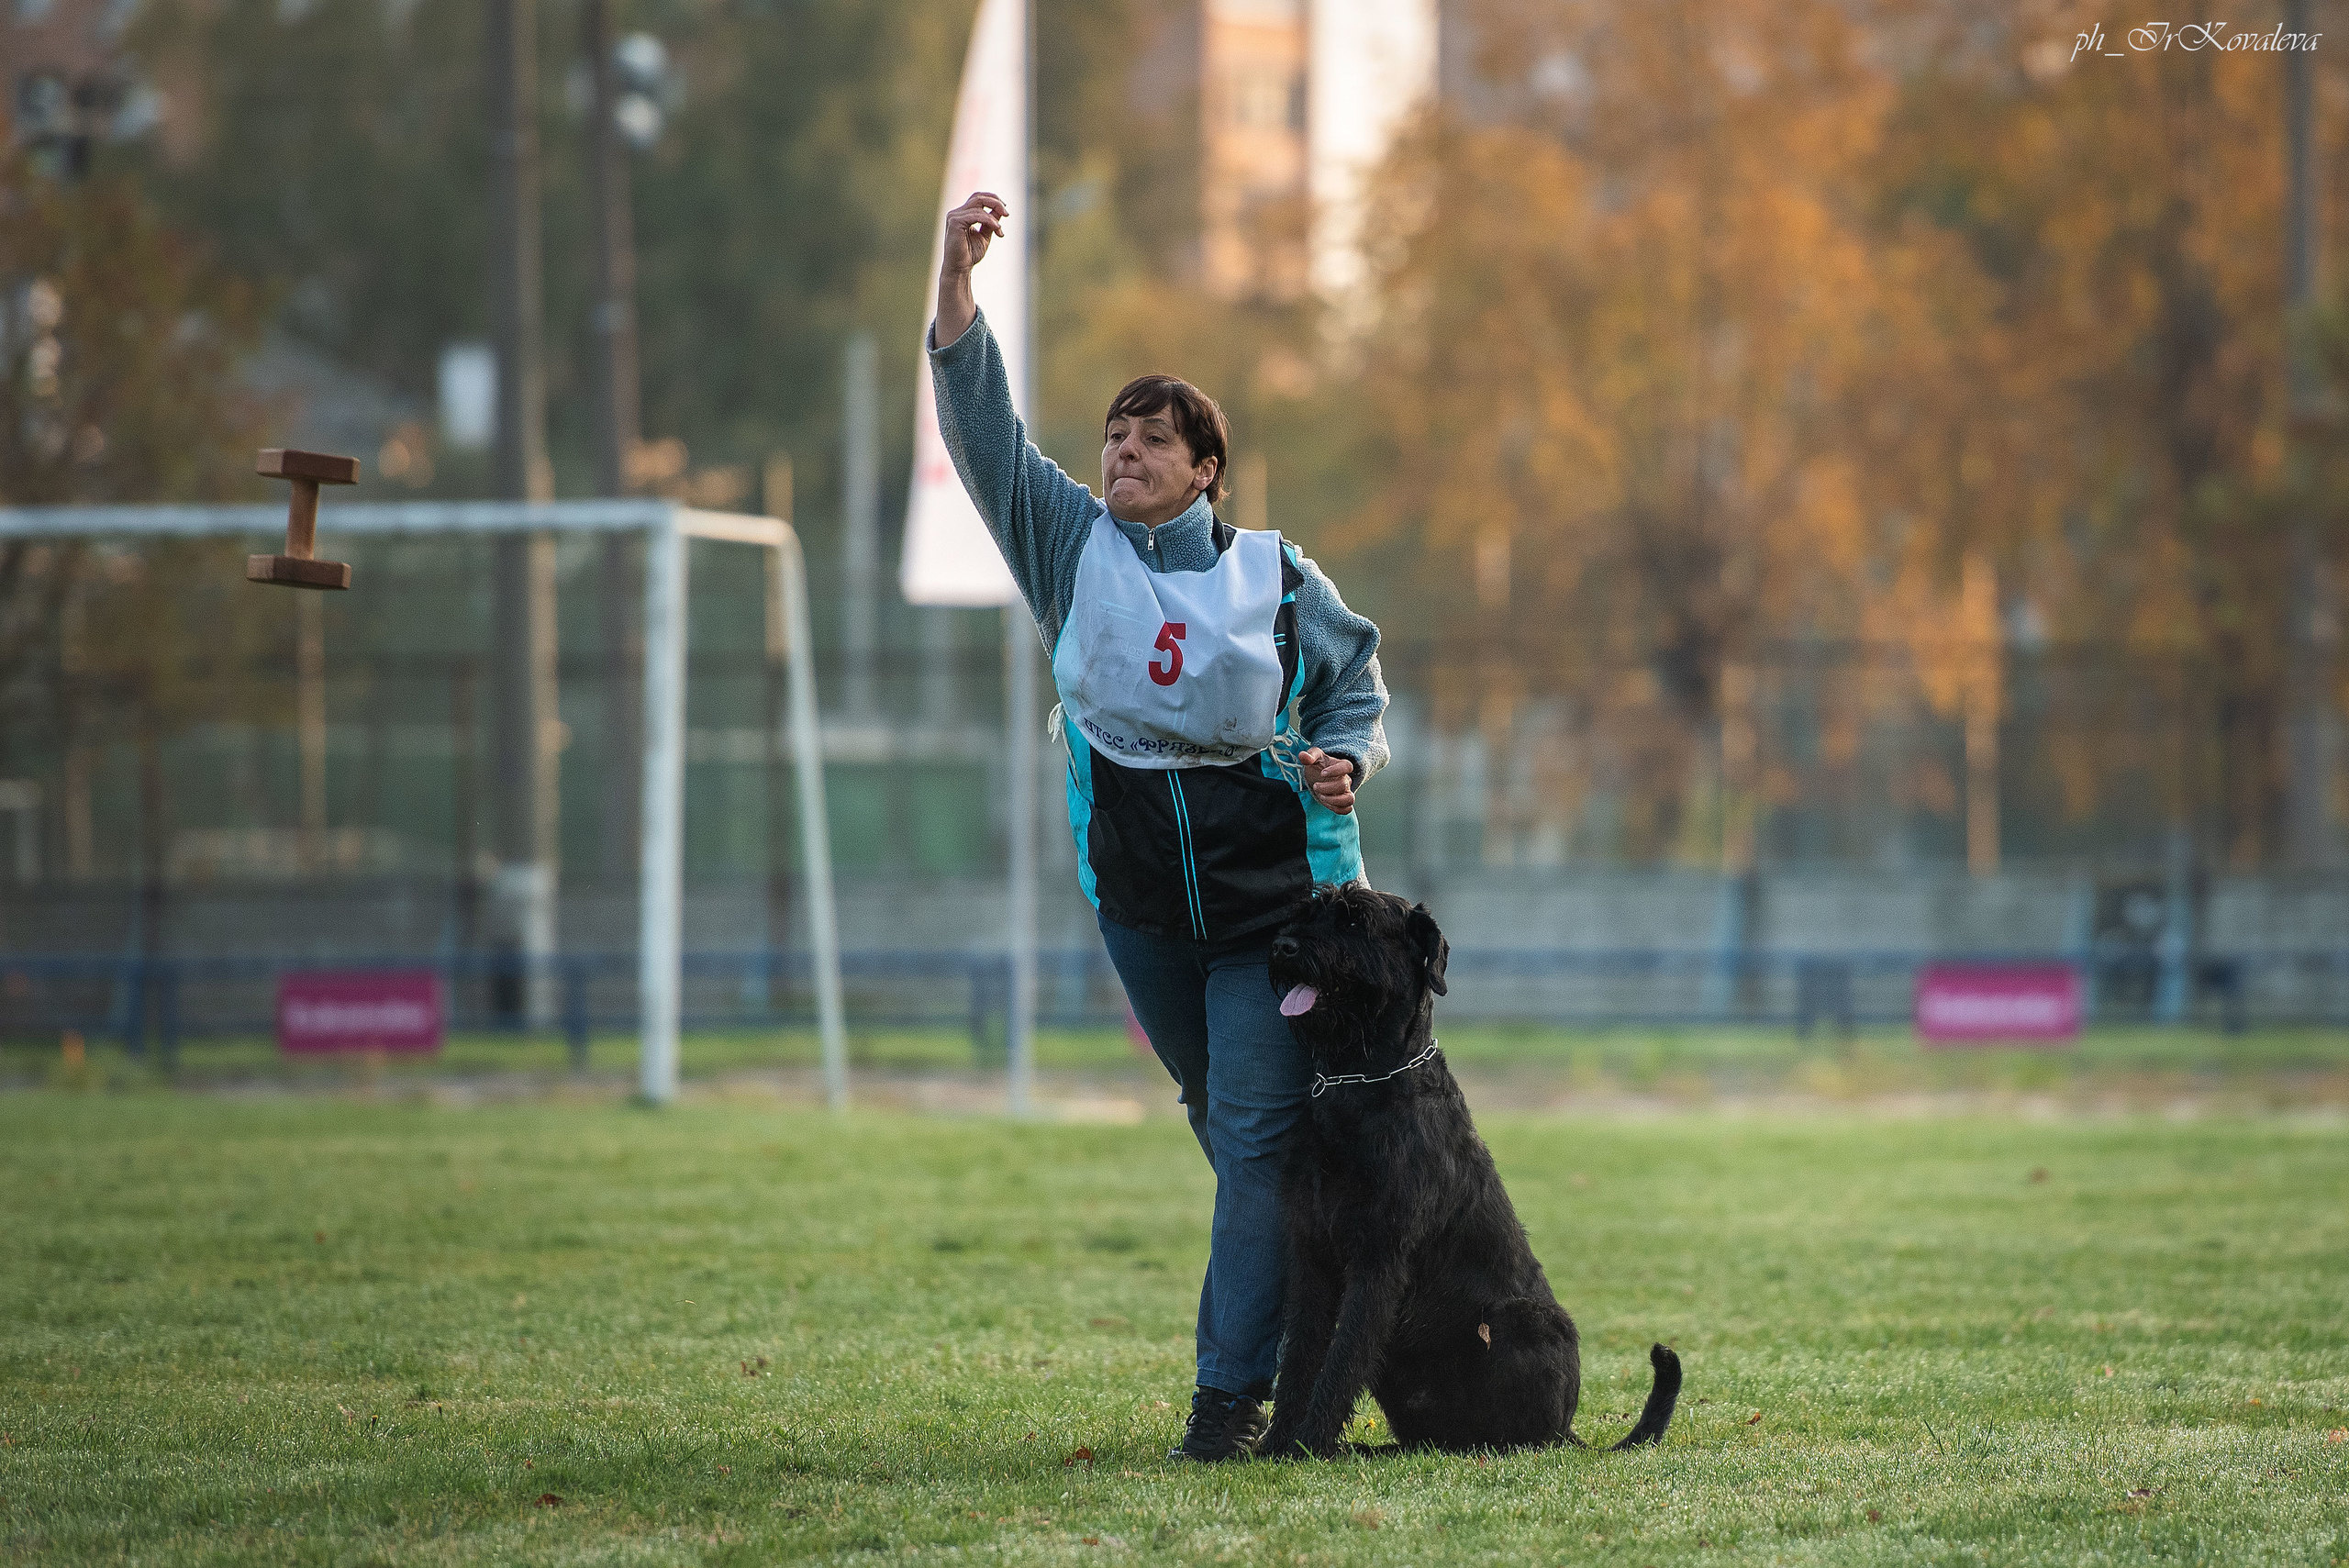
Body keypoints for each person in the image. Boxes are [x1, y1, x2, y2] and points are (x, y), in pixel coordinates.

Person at [929, 191, 1389, 1462]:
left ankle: (1225, 1404)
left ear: (1208, 469)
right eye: (1113, 434)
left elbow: (1353, 686)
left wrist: (1346, 752)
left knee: (1249, 1135)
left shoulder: (1277, 575)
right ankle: (1305, 1318)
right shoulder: (1071, 548)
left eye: (1152, 438)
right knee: (1227, 1121)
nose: (1121, 451)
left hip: (1275, 914)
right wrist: (953, 285)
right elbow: (983, 438)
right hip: (1142, 913)